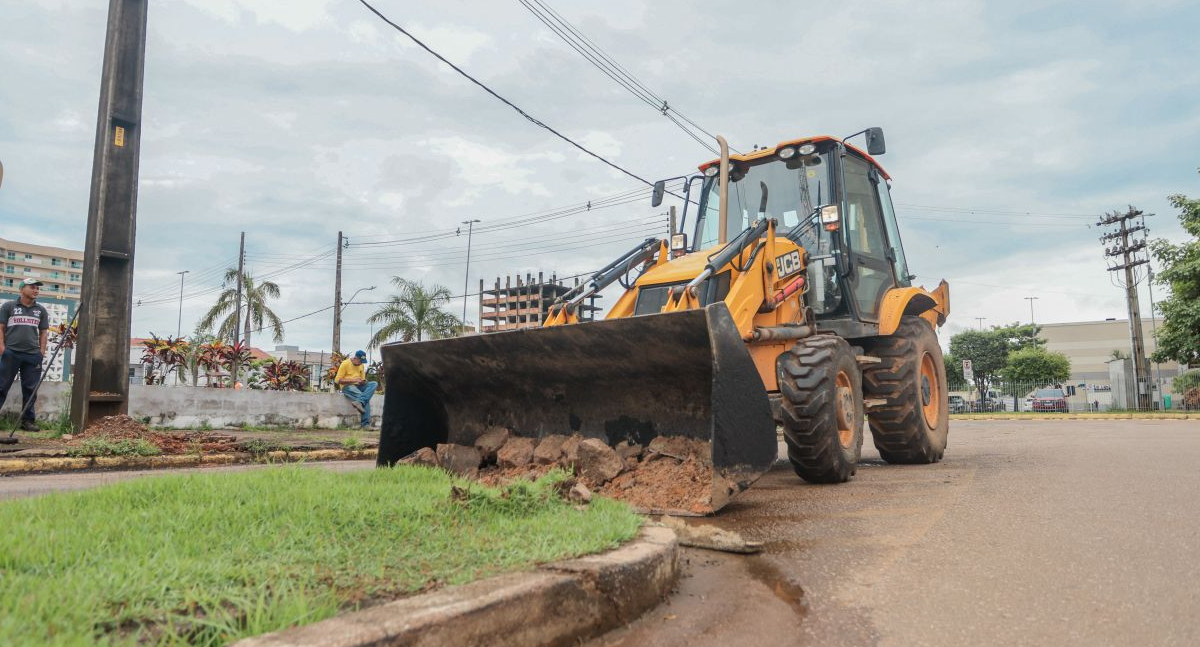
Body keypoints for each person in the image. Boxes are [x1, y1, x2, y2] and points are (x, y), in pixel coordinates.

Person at [0, 278, 50, 432]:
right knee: (1, 386)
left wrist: (41, 352)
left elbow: (43, 332)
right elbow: (1, 328)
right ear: (22, 289)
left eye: (37, 288)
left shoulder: (40, 310)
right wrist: (3, 348)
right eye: (32, 287)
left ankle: (27, 421)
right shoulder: (8, 307)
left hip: (32, 355)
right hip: (11, 353)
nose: (36, 290)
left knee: (30, 390)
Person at [335, 350, 377, 428]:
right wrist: (354, 380)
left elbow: (362, 379)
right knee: (365, 399)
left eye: (362, 362)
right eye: (360, 361)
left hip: (359, 386)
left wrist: (363, 381)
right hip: (347, 387)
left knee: (374, 384)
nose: (361, 363)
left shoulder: (361, 365)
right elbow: (338, 380)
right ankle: (365, 425)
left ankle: (359, 401)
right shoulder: (345, 364)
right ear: (355, 358)